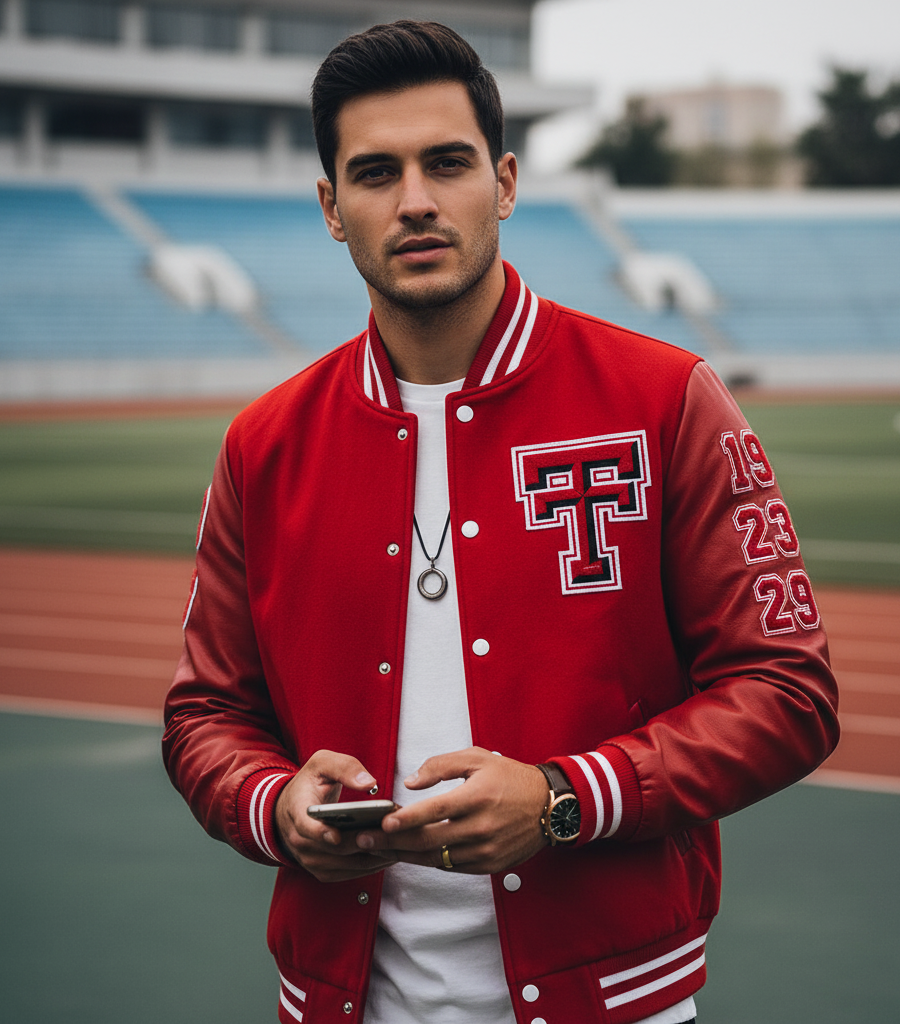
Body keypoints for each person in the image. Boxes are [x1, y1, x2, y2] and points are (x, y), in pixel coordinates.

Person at [163, 20, 839, 1024]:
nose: (417, 200)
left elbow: (787, 689)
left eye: (447, 163)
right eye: (375, 173)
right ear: (331, 209)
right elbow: (204, 715)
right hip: (342, 1002)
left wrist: (564, 796)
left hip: (615, 1000)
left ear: (507, 182)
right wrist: (275, 806)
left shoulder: (665, 397)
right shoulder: (264, 444)